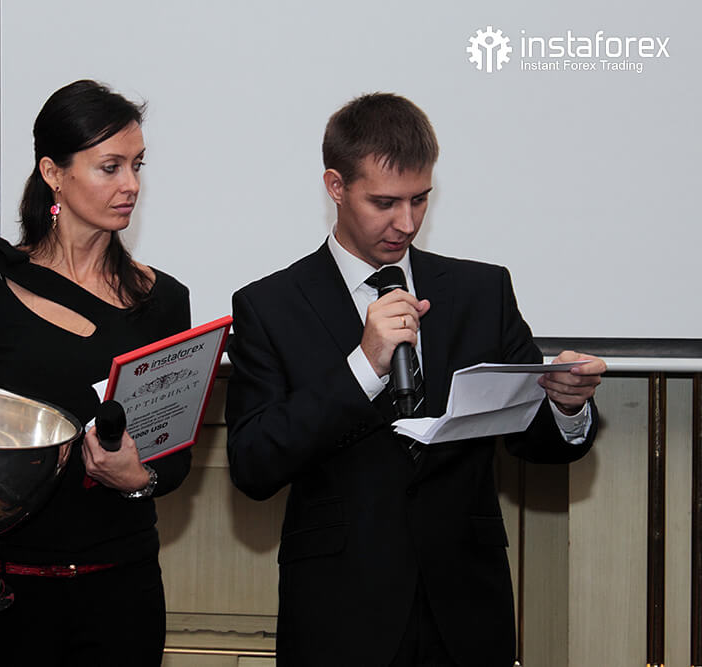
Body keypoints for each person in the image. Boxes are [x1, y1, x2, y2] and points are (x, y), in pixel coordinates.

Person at [224, 93, 606, 667]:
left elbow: (535, 439)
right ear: (335, 186)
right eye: (384, 202)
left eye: (419, 199)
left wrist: (567, 406)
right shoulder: (271, 305)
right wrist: (363, 366)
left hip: (467, 609)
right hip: (340, 612)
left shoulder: (482, 292)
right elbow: (254, 464)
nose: (406, 223)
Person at [0, 80, 191, 666]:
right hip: (6, 591)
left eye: (137, 165)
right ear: (53, 173)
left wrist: (137, 478)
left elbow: (172, 463)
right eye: (110, 167)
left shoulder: (165, 301)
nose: (131, 184)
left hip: (121, 589)